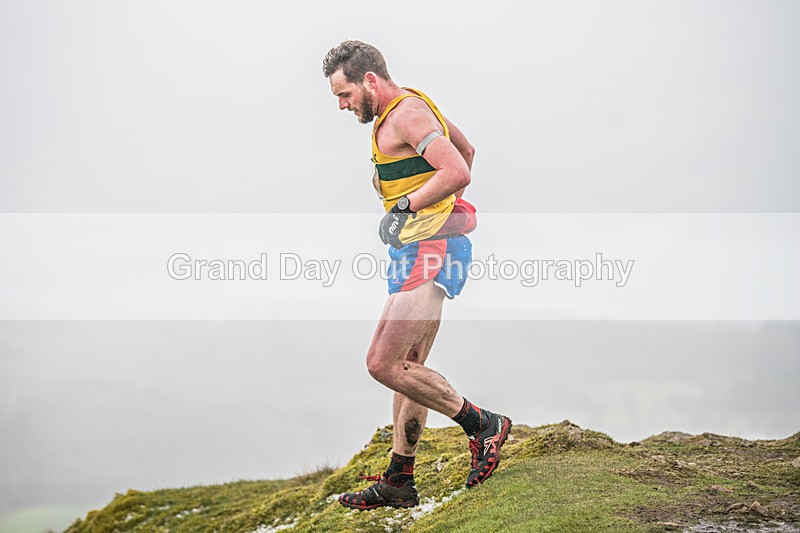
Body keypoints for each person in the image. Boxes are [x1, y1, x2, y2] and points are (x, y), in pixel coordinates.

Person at [322, 40, 512, 510]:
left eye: (344, 95)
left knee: (382, 363)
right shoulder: (411, 108)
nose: (343, 107)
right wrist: (432, 210)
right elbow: (466, 149)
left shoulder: (405, 113)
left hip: (431, 247)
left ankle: (482, 424)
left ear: (369, 80)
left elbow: (457, 169)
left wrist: (410, 206)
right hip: (422, 244)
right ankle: (399, 480)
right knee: (409, 366)